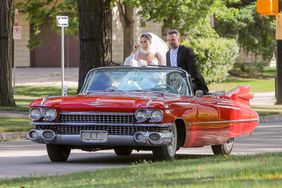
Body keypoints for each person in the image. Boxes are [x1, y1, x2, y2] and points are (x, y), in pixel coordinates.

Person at [166, 29, 209, 94]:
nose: (170, 42)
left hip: (190, 83)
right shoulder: (167, 53)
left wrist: (185, 81)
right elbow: (169, 70)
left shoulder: (187, 51)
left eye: (173, 40)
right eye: (168, 40)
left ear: (178, 40)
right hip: (174, 85)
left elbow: (192, 69)